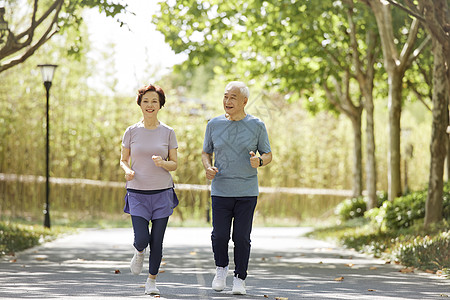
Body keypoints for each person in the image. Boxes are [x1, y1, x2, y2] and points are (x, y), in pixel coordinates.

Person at [202, 81, 272, 295]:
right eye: (225, 96)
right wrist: (208, 167)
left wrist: (259, 161)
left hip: (247, 192)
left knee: (241, 237)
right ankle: (221, 269)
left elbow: (268, 154)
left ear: (244, 101)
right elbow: (206, 152)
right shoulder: (213, 124)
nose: (227, 101)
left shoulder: (257, 125)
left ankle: (240, 278)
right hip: (221, 190)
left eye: (233, 97)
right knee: (219, 235)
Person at [120, 84, 178, 295]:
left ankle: (151, 281)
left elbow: (175, 164)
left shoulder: (168, 132)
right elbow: (123, 159)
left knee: (158, 240)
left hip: (162, 193)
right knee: (143, 238)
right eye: (146, 101)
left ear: (160, 104)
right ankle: (138, 251)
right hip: (137, 193)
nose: (150, 105)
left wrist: (163, 163)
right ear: (140, 104)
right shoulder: (131, 131)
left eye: (154, 101)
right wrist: (128, 170)